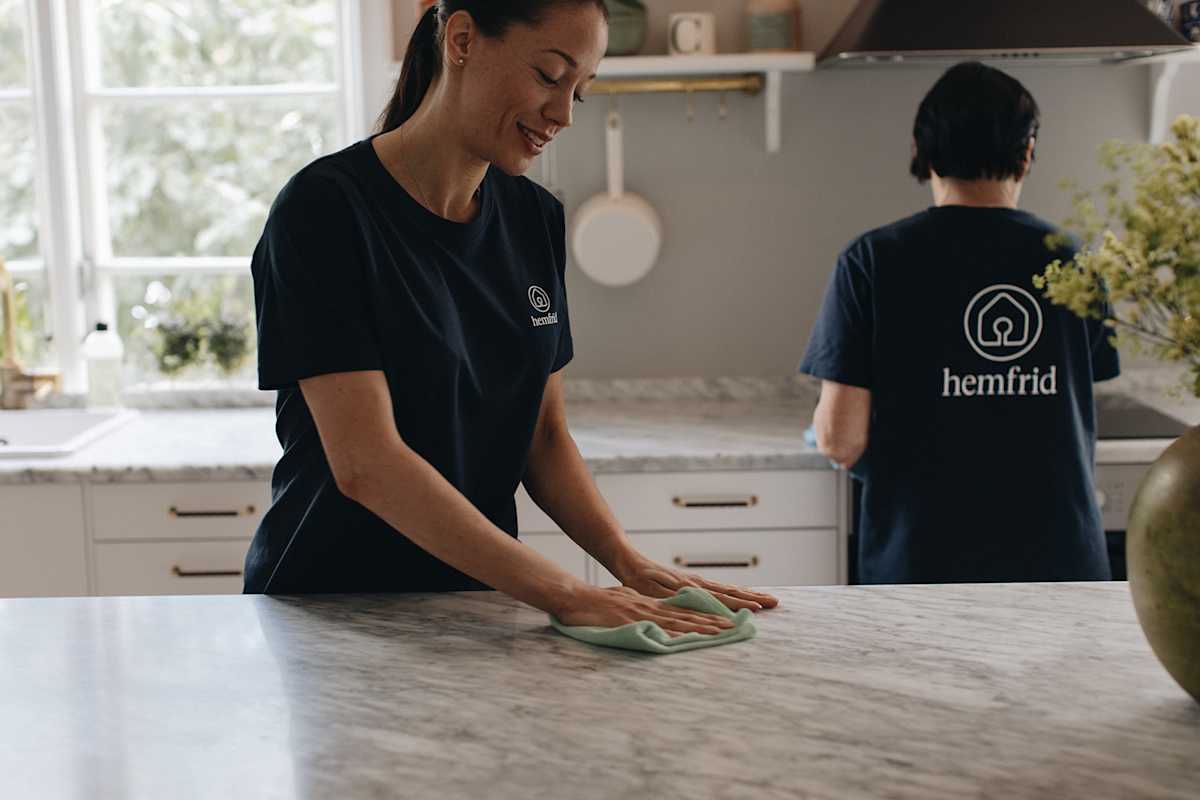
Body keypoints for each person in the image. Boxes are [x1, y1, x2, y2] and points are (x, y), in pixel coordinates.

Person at [245, 0, 778, 632]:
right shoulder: (325, 210)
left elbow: (543, 437)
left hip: (475, 610)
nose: (563, 113)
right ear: (462, 39)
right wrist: (567, 593)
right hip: (332, 611)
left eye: (580, 91)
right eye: (550, 76)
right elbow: (367, 464)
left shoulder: (534, 218)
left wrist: (627, 563)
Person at [799, 62, 1120, 585]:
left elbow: (840, 440)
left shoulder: (873, 260)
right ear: (1027, 153)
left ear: (920, 151)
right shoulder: (1074, 259)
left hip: (924, 566)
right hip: (1060, 566)